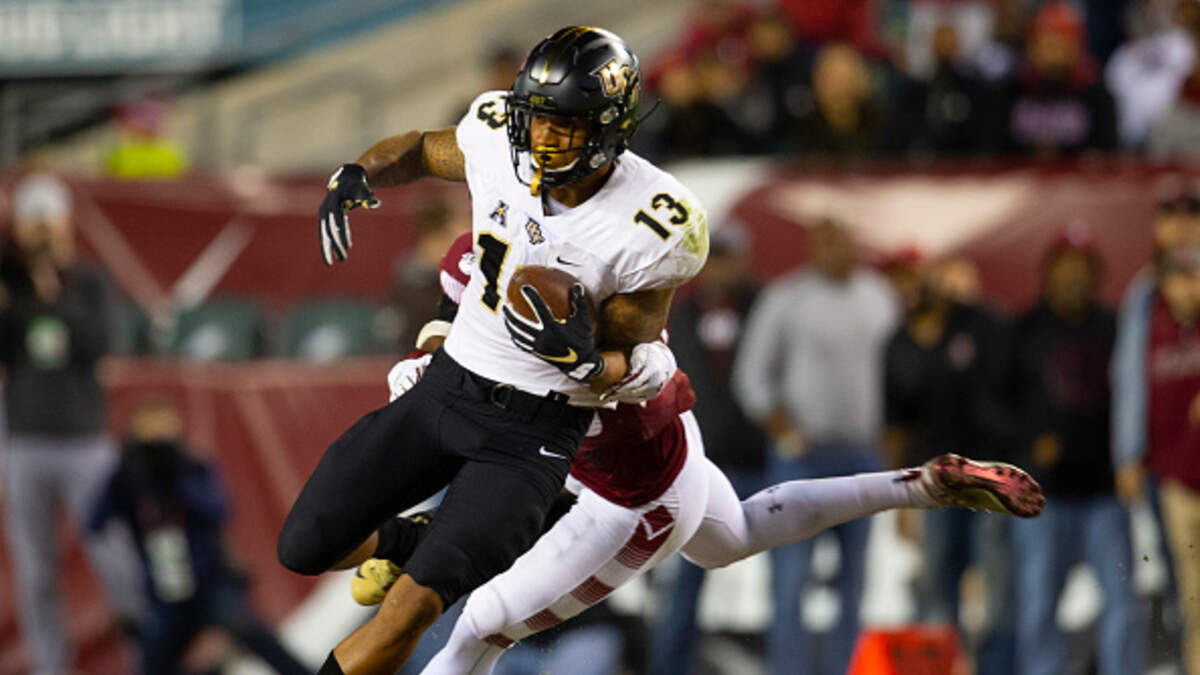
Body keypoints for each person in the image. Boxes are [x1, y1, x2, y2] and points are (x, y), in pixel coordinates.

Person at [361, 231, 1044, 675]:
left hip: (632, 501)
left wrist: (432, 394)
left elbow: (505, 413)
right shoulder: (595, 299)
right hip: (674, 457)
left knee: (480, 625)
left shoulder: (552, 357)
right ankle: (919, 485)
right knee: (732, 535)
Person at [279, 27, 711, 675]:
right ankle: (409, 539)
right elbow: (422, 148)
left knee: (408, 610)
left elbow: (633, 348)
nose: (540, 136)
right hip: (447, 389)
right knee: (305, 544)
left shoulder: (653, 220)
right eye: (535, 118)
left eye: (562, 125)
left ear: (609, 127)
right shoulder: (496, 137)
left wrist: (589, 363)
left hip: (533, 433)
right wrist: (360, 170)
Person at [732, 218, 898, 675]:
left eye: (842, 239)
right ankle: (789, 668)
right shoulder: (788, 297)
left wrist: (893, 437)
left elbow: (899, 371)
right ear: (812, 246)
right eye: (826, 241)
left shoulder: (878, 296)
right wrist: (783, 429)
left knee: (855, 579)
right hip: (803, 457)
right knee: (792, 576)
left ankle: (846, 667)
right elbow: (751, 375)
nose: (835, 249)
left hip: (863, 455)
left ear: (855, 243)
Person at [0, 173, 144, 675]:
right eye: (32, 224)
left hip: (84, 442)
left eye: (48, 222)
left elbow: (99, 343)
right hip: (24, 442)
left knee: (116, 559)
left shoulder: (88, 282)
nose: (41, 234)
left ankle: (148, 657)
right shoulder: (10, 286)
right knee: (36, 571)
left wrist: (53, 291)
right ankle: (50, 667)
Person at [90, 398, 311, 675]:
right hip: (164, 593)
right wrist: (124, 474)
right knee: (153, 658)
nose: (157, 451)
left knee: (245, 627)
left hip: (208, 582)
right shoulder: (129, 480)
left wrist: (176, 475)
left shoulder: (194, 469)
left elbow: (219, 510)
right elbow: (95, 521)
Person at [1009, 229, 1143, 675]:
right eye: (1065, 268)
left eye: (1083, 269)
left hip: (1105, 491)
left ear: (1096, 275)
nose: (1074, 278)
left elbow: (1133, 395)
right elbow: (997, 402)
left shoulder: (1114, 326)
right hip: (1041, 495)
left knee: (1121, 598)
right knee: (1038, 603)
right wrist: (1029, 443)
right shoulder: (1025, 329)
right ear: (1047, 274)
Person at [882, 245, 1016, 675]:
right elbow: (896, 426)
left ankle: (995, 669)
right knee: (937, 585)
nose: (910, 291)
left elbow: (1010, 397)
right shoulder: (897, 343)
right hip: (932, 484)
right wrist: (898, 497)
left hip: (986, 478)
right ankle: (938, 668)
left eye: (917, 281)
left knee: (993, 588)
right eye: (901, 284)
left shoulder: (979, 325)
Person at [647, 224, 768, 675]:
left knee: (786, 577)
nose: (719, 267)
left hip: (761, 459)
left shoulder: (765, 306)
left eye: (727, 256)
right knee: (682, 580)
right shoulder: (680, 313)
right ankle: (669, 668)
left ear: (743, 259)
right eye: (712, 257)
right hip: (697, 463)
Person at [1117, 246, 1200, 675]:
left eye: (1194, 276)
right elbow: (1131, 390)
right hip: (1175, 479)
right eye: (1179, 278)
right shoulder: (1152, 325)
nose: (1188, 286)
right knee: (1189, 595)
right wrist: (1128, 454)